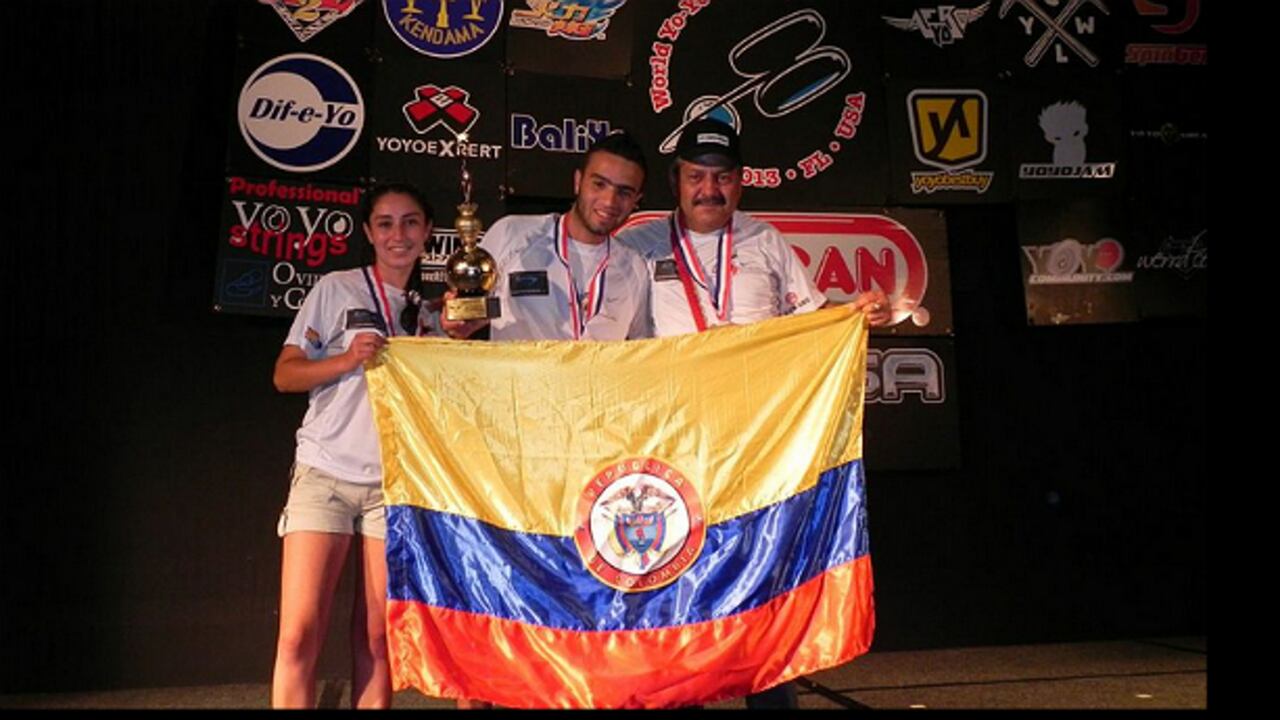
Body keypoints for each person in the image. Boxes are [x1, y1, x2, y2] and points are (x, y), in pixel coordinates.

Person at [616, 117, 892, 708]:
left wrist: (854, 312)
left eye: (721, 178)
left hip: (754, 450)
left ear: (740, 184)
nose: (708, 190)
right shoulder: (637, 245)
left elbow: (811, 320)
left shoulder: (765, 241)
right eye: (696, 177)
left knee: (762, 587)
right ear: (675, 181)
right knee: (669, 589)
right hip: (673, 450)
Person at [270, 182, 435, 709]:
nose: (398, 234)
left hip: (392, 486)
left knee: (377, 638)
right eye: (385, 223)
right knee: (298, 633)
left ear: (428, 232)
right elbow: (284, 375)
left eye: (410, 222)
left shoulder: (435, 310)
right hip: (325, 475)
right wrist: (346, 359)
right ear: (368, 232)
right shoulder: (336, 289)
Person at [442, 131, 650, 342]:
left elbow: (637, 352)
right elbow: (467, 311)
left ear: (636, 200)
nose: (609, 201)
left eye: (624, 192)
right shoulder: (512, 234)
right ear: (578, 181)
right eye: (599, 184)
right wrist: (457, 327)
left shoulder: (635, 269)